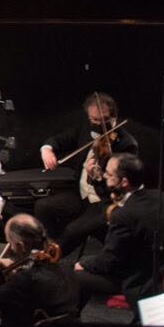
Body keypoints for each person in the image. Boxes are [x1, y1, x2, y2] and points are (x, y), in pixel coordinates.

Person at [35, 93, 139, 255]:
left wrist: (97, 175)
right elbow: (60, 139)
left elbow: (122, 185)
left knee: (71, 232)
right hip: (80, 195)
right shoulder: (85, 128)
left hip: (103, 200)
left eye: (103, 120)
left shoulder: (126, 144)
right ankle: (50, 245)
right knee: (43, 207)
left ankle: (52, 257)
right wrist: (47, 150)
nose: (98, 125)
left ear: (114, 118)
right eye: (94, 120)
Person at [73, 153, 164, 308]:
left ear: (124, 181)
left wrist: (84, 264)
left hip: (139, 281)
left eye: (108, 174)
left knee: (75, 274)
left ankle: (73, 320)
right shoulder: (161, 196)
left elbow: (108, 262)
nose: (104, 177)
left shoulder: (124, 216)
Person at [0, 214, 78, 326]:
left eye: (11, 244)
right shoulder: (66, 269)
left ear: (20, 245)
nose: (10, 248)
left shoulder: (26, 279)